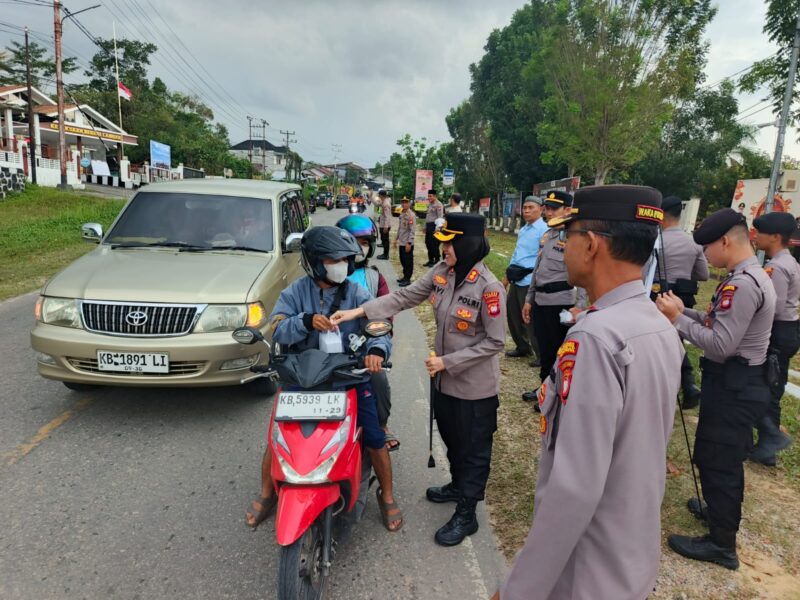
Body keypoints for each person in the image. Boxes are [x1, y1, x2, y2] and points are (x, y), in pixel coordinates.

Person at [496, 185, 683, 600]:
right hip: (630, 556)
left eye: (568, 235)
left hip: (585, 569)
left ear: (593, 244)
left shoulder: (596, 338)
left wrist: (518, 590)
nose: (562, 246)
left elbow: (574, 488)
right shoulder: (657, 324)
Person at [332, 213, 505, 547]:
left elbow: (495, 343)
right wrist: (357, 312)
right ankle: (457, 486)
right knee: (453, 439)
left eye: (449, 242)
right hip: (444, 382)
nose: (443, 248)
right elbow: (404, 297)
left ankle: (467, 512)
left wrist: (447, 361)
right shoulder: (443, 273)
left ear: (467, 244)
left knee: (474, 450)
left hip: (474, 389)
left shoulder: (490, 289)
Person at [244, 226, 403, 532]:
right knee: (279, 438)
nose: (342, 264)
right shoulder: (295, 292)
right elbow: (277, 328)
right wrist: (304, 322)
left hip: (348, 376)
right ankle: (267, 493)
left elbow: (379, 324)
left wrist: (377, 352)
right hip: (302, 378)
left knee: (373, 436)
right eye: (334, 259)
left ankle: (387, 494)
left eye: (345, 259)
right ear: (316, 261)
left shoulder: (357, 292)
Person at [656, 208, 776, 570]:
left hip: (734, 386)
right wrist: (683, 311)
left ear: (725, 241)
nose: (705, 255)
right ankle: (718, 512)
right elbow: (714, 322)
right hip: (736, 383)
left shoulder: (742, 284)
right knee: (720, 457)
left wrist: (677, 320)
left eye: (707, 247)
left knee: (719, 461)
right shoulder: (745, 275)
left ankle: (722, 545)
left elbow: (721, 343)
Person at [521, 191, 581, 402]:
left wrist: (580, 306)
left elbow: (581, 273)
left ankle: (555, 396)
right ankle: (544, 391)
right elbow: (538, 270)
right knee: (545, 350)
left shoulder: (574, 237)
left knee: (558, 352)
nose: (547, 212)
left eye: (553, 208)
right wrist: (529, 299)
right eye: (546, 207)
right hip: (540, 301)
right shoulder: (549, 235)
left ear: (567, 210)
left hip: (561, 303)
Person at [650, 195, 710, 409]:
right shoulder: (693, 241)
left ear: (661, 215)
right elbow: (703, 274)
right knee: (676, 340)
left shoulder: (655, 240)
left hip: (657, 296)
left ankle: (672, 387)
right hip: (682, 299)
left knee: (656, 344)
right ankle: (688, 384)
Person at [750, 211, 800, 465]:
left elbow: (775, 307)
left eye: (760, 233)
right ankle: (767, 448)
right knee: (774, 384)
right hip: (789, 329)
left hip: (777, 330)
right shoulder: (790, 262)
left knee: (764, 384)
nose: (756, 237)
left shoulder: (777, 267)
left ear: (776, 237)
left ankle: (770, 436)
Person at [504, 195, 547, 362]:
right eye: (525, 208)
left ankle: (540, 354)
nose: (527, 211)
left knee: (529, 318)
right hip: (516, 277)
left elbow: (542, 258)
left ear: (541, 209)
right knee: (512, 313)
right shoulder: (523, 230)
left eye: (531, 208)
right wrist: (507, 275)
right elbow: (516, 254)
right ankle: (522, 347)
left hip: (529, 279)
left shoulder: (544, 230)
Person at [395, 196, 416, 287]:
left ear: (409, 204)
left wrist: (409, 243)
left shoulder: (411, 215)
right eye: (402, 202)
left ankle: (407, 279)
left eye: (406, 202)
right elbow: (400, 228)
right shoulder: (402, 213)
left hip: (407, 243)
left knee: (408, 261)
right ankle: (404, 276)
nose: (404, 204)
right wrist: (396, 239)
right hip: (402, 241)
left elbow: (412, 230)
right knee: (402, 260)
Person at [423, 189, 445, 267]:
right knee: (428, 243)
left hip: (434, 227)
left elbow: (440, 217)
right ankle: (430, 260)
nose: (429, 198)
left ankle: (437, 260)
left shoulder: (438, 204)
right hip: (429, 226)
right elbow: (427, 216)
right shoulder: (429, 204)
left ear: (435, 196)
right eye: (428, 196)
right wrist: (425, 226)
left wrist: (437, 228)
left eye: (431, 196)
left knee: (434, 244)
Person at [376, 190, 393, 259]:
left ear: (381, 196)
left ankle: (385, 255)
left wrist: (386, 226)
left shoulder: (386, 204)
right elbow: (377, 204)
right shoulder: (384, 201)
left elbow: (387, 216)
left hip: (385, 225)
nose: (378, 197)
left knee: (385, 241)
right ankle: (385, 254)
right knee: (384, 240)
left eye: (379, 195)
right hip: (383, 224)